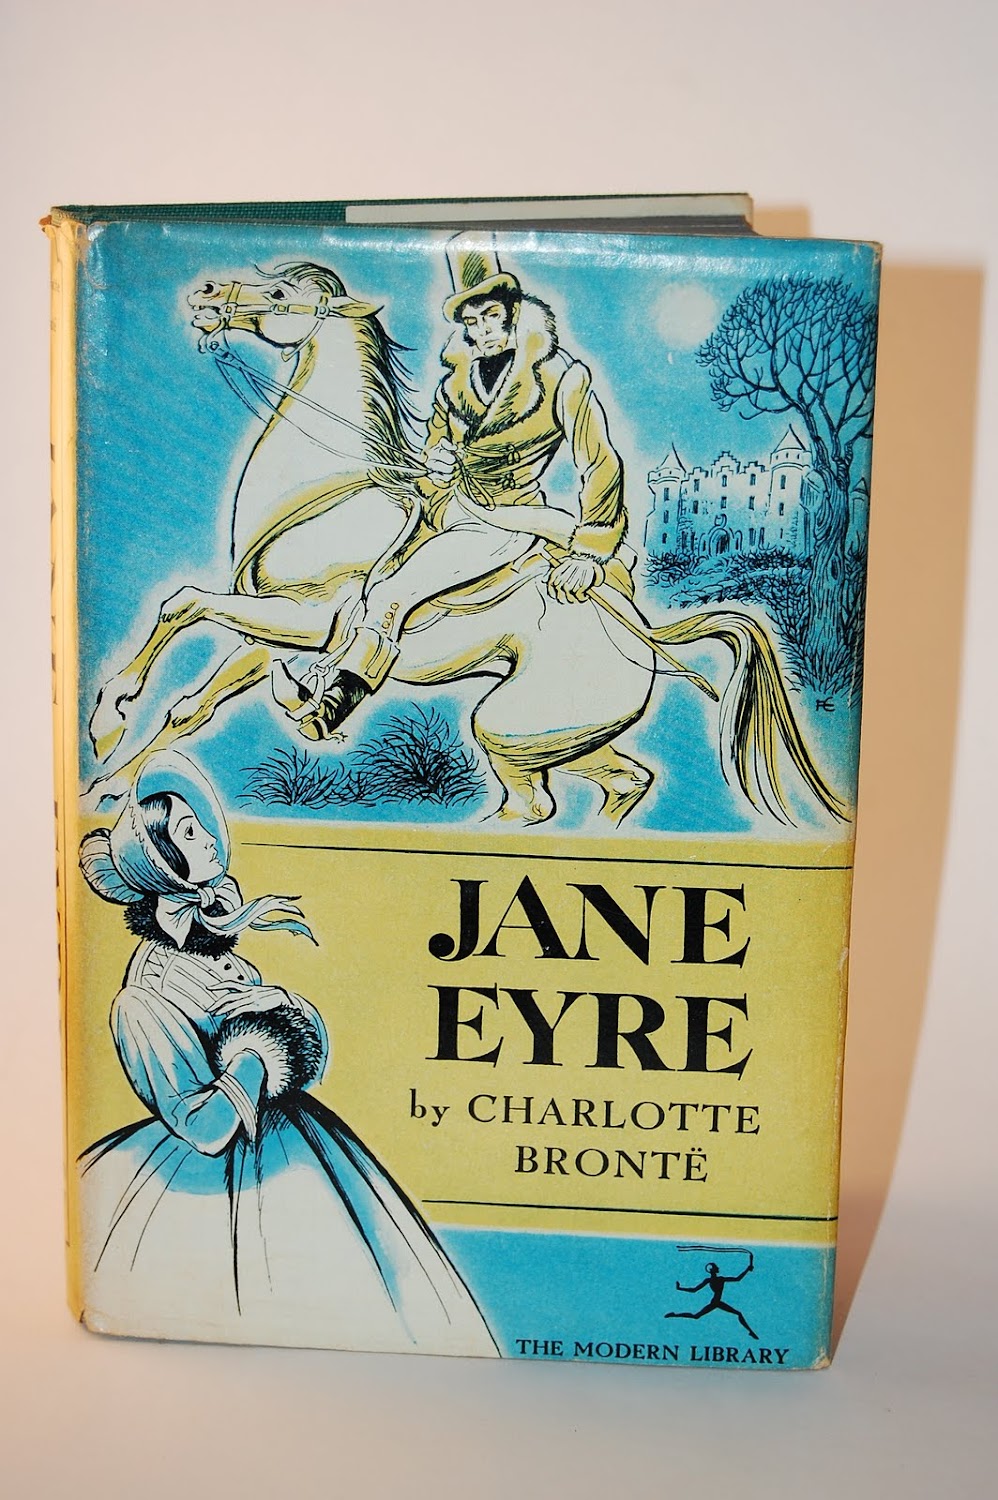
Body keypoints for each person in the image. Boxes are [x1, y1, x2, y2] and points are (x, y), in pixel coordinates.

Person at [77, 749, 498, 1355]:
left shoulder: (213, 954)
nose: (208, 838)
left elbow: (306, 1056)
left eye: (200, 826)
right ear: (163, 864)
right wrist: (255, 1053)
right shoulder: (144, 996)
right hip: (214, 1178)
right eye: (189, 833)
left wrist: (283, 1014)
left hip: (290, 1131)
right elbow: (205, 1128)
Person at [291, 232, 630, 740]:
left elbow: (599, 462)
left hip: (506, 518)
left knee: (391, 591)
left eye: (490, 316)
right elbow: (436, 439)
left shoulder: (562, 377)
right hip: (447, 506)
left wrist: (591, 549)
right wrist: (437, 461)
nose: (481, 330)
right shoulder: (456, 378)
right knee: (353, 564)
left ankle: (339, 698)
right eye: (471, 322)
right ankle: (315, 665)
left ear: (514, 312)